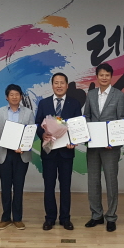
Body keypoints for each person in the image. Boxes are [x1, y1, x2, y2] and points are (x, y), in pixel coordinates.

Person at [83, 63, 124, 232]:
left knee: (111, 181)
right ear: (97, 77)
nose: (104, 78)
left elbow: (121, 120)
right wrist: (88, 134)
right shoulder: (91, 94)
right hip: (93, 145)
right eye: (101, 75)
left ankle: (111, 216)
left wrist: (113, 141)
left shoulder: (119, 95)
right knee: (93, 181)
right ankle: (96, 215)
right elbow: (87, 116)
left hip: (110, 147)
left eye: (107, 75)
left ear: (111, 77)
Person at [35, 73, 82, 231]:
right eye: (56, 83)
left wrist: (74, 141)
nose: (59, 85)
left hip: (66, 152)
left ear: (67, 85)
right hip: (49, 152)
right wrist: (42, 134)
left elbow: (77, 126)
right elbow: (37, 123)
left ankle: (65, 218)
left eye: (62, 83)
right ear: (52, 85)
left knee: (65, 186)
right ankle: (49, 218)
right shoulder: (44, 103)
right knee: (49, 186)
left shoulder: (74, 103)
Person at [0, 84, 35, 230]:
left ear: (21, 96)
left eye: (17, 94)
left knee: (18, 186)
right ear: (7, 97)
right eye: (11, 95)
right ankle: (5, 217)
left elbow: (31, 133)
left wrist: (23, 146)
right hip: (4, 154)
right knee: (5, 187)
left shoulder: (28, 113)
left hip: (21, 155)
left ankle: (17, 218)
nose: (14, 97)